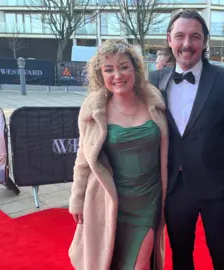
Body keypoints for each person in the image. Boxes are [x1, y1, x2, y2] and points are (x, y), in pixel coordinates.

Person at [148, 10, 224, 270]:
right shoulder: (153, 81)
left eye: (195, 37)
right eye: (180, 36)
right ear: (169, 39)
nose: (187, 44)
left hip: (217, 190)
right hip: (174, 189)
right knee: (181, 258)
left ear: (205, 41)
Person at [68, 39, 169, 270]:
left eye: (124, 66)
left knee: (140, 265)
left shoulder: (155, 101)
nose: (117, 75)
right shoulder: (94, 109)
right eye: (109, 69)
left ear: (135, 68)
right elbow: (83, 159)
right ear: (100, 75)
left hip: (147, 203)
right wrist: (77, 199)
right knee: (110, 261)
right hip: (109, 202)